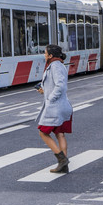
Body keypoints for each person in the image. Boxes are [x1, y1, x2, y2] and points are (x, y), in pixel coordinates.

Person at [36, 45, 73, 173]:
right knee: (59, 133)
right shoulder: (57, 65)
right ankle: (64, 166)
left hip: (55, 107)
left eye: (45, 53)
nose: (44, 55)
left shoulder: (55, 66)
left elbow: (60, 86)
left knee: (43, 132)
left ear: (51, 55)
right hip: (62, 105)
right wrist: (44, 90)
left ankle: (62, 159)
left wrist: (50, 98)